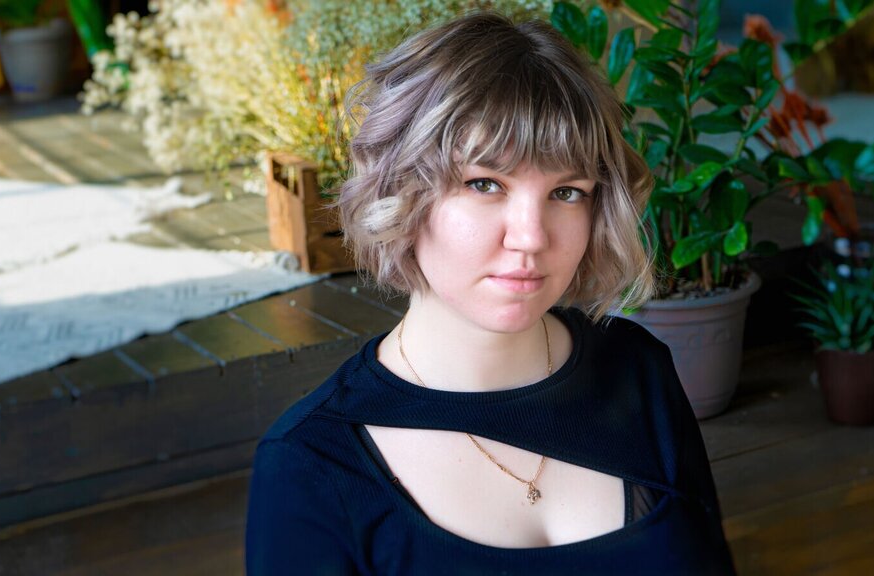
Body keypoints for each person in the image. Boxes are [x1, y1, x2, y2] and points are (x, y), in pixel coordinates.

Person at [245, 11, 736, 575]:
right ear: (400, 190)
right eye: (485, 184)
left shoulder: (638, 369)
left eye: (567, 192)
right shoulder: (308, 464)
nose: (531, 237)